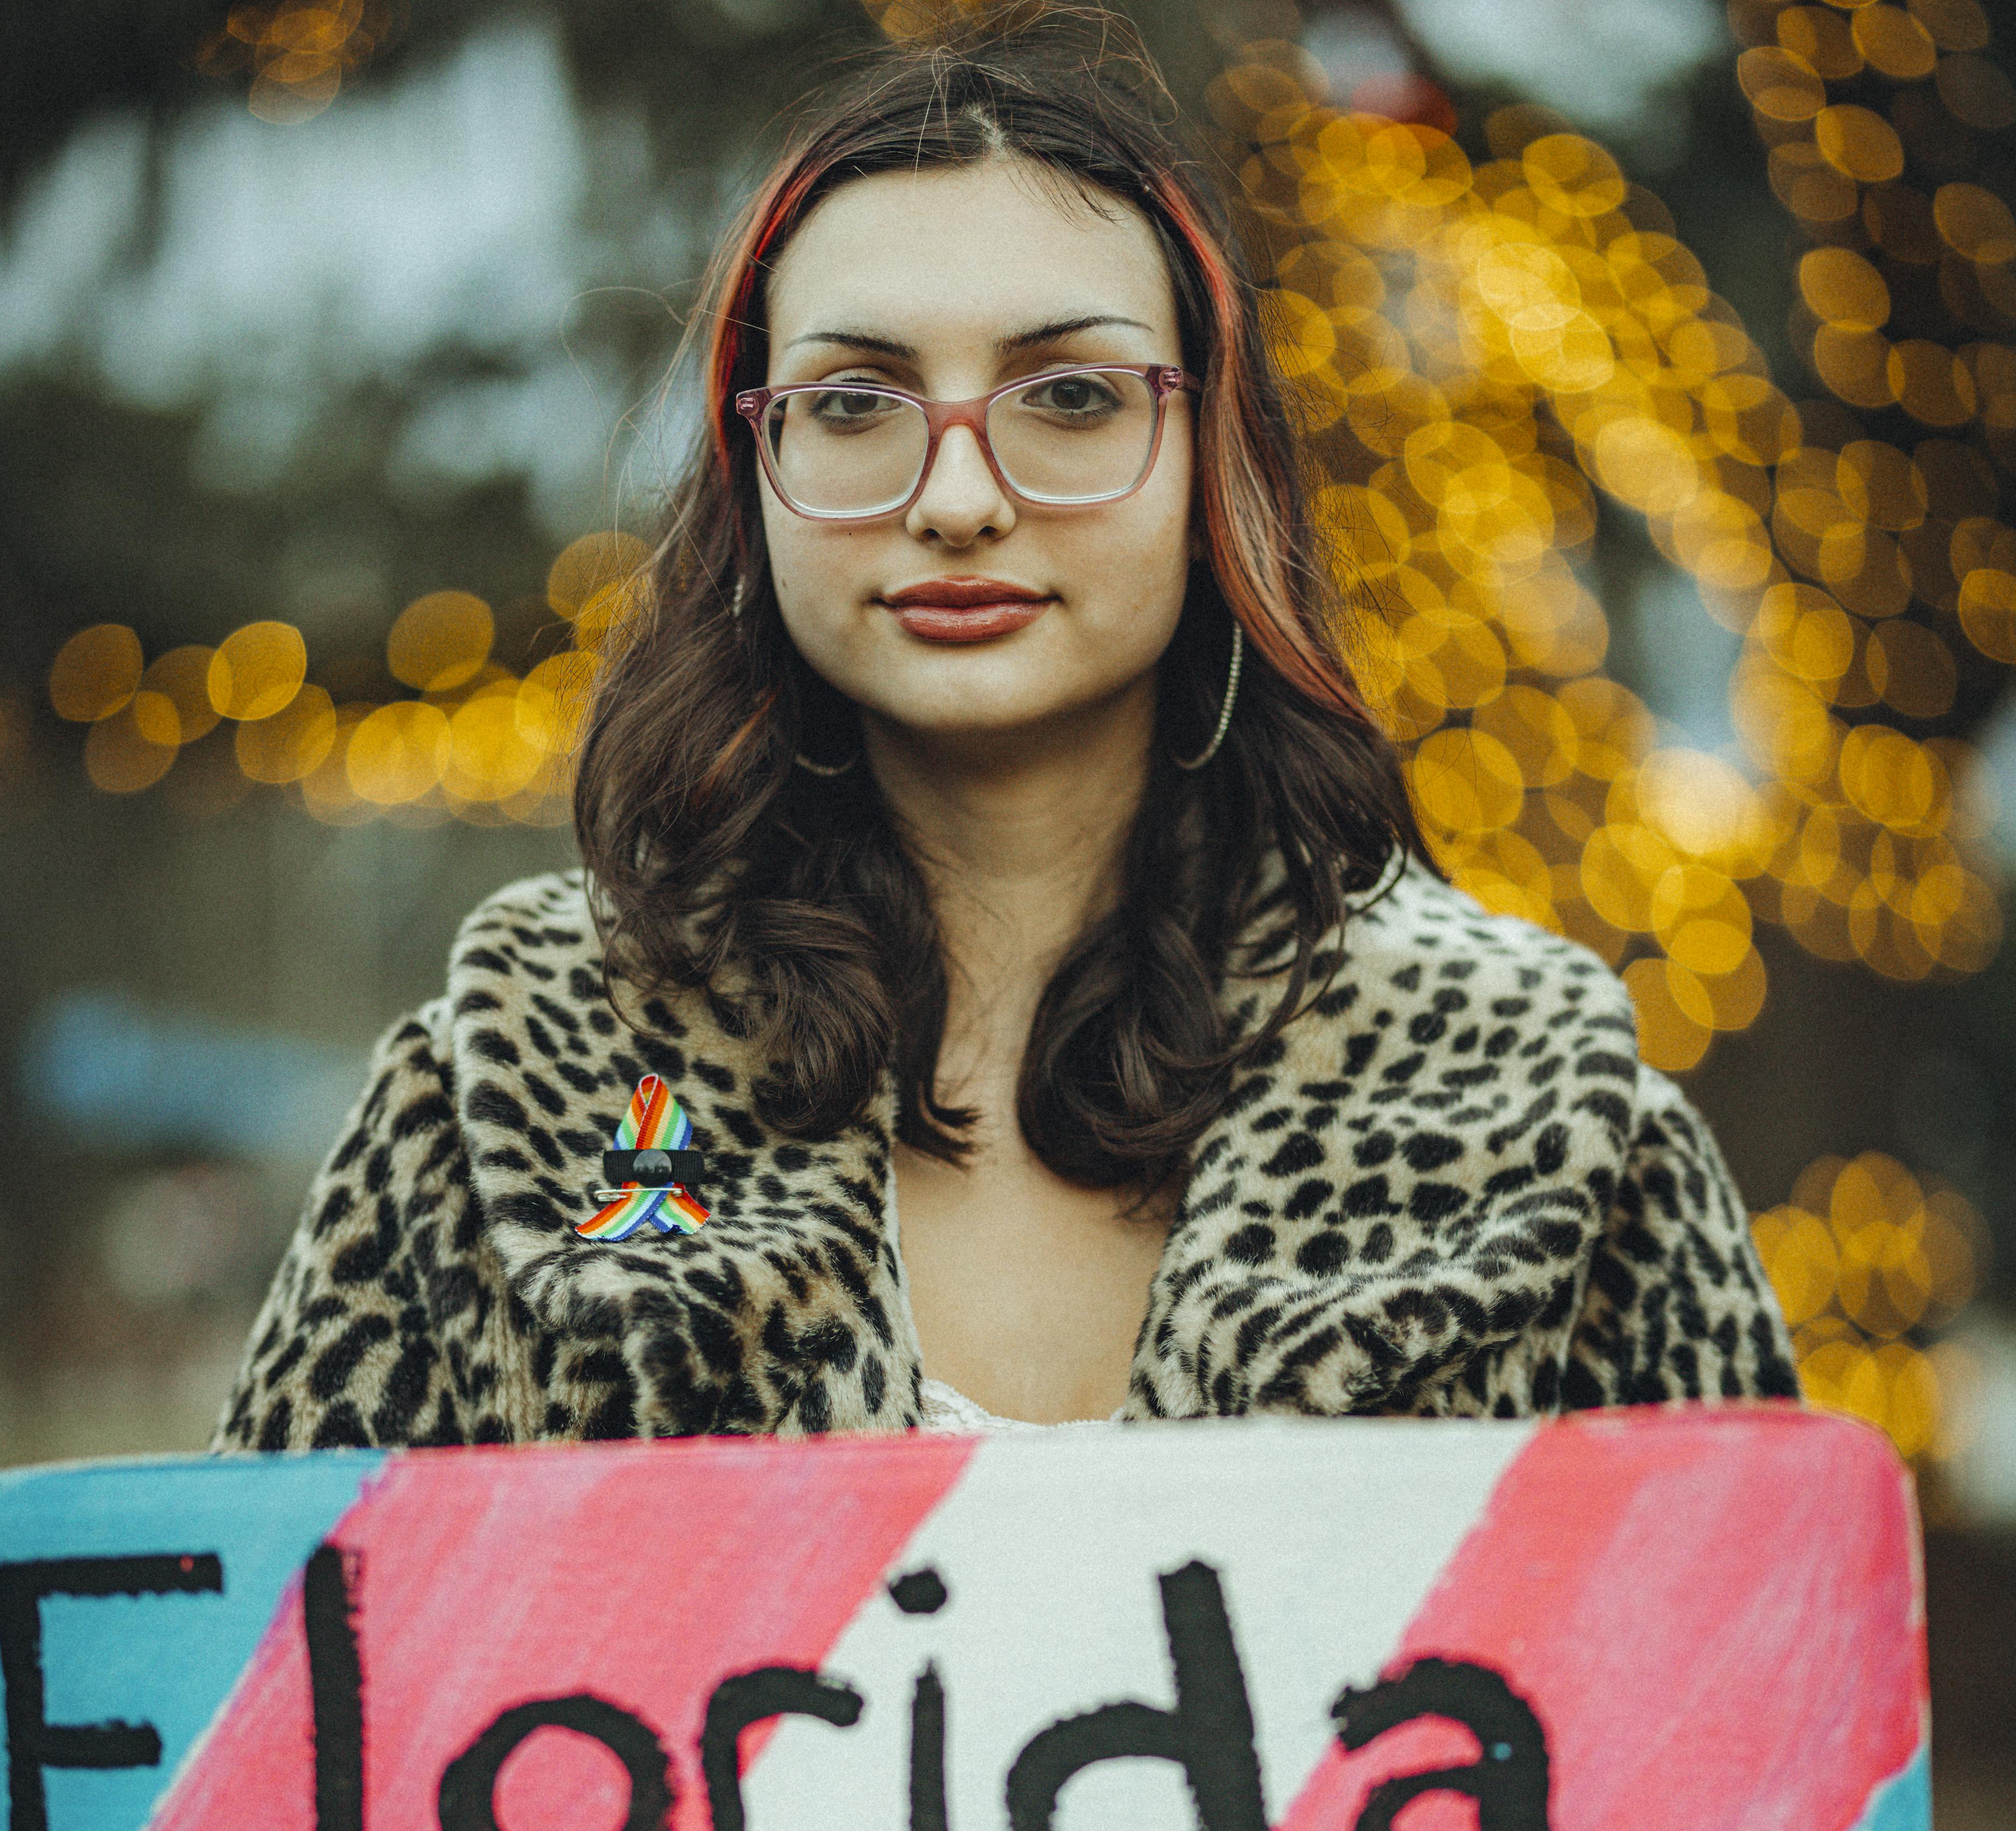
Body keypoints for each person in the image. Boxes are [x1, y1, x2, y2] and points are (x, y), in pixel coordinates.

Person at [211, 12, 1796, 1455]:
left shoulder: (1537, 1114)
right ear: (754, 474)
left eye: (1072, 397)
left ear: (1208, 470)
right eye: (853, 403)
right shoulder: (508, 1103)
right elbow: (261, 1723)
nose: (959, 498)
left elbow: (1756, 1729)